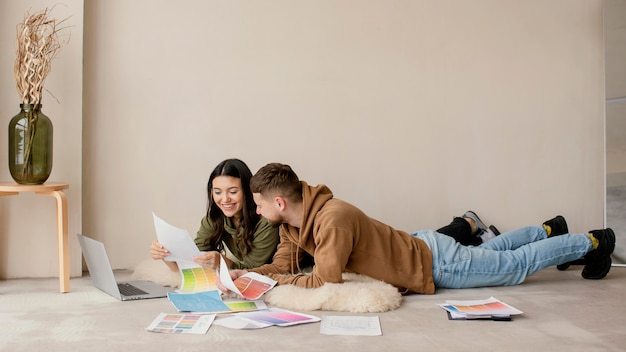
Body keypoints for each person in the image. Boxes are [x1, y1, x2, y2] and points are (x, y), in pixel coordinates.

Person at [220, 162, 616, 295]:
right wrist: (248, 275)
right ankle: (548, 230)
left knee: (514, 267)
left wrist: (272, 286)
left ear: (279, 202)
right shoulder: (294, 225)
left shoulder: (332, 218)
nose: (253, 209)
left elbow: (325, 281)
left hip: (436, 264)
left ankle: (593, 241)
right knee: (497, 253)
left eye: (256, 202)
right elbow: (283, 267)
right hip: (425, 247)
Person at [150, 159, 280, 271]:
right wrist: (166, 255)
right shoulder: (214, 218)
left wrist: (223, 263)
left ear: (247, 191)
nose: (224, 199)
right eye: (217, 192)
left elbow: (254, 270)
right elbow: (194, 258)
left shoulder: (266, 220)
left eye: (233, 192)